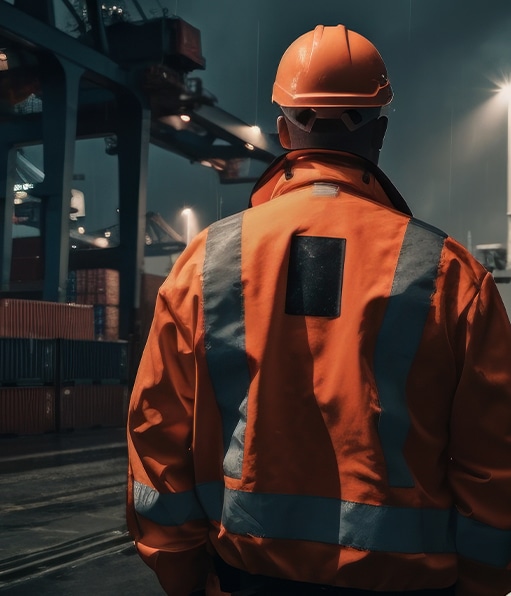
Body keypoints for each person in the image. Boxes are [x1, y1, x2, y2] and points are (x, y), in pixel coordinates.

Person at [126, 24, 511, 596]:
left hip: (243, 579)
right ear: (379, 132)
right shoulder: (453, 276)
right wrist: (481, 583)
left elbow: (157, 435)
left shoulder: (205, 263)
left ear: (283, 130)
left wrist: (185, 575)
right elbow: (493, 460)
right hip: (407, 584)